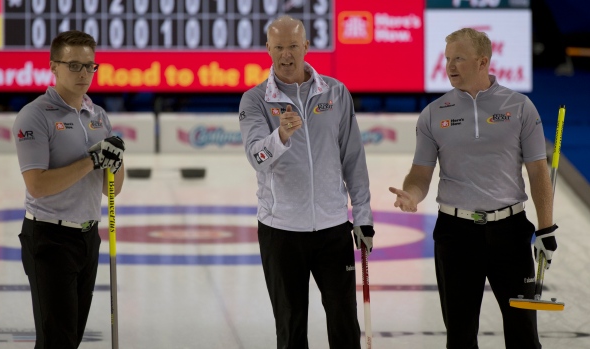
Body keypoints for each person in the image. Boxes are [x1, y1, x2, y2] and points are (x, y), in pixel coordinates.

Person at [389, 28, 557, 348]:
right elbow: (421, 174)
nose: (450, 65)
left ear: (482, 62)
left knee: (524, 333)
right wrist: (411, 193)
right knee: (460, 335)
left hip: (511, 233)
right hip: (456, 235)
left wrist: (547, 228)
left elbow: (538, 171)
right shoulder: (433, 114)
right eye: (448, 58)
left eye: (459, 59)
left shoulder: (520, 107)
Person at [238, 15, 374, 349]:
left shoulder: (336, 93)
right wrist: (281, 135)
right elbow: (257, 158)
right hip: (281, 232)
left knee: (345, 326)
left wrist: (364, 218)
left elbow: (353, 159)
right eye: (279, 47)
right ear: (268, 49)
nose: (286, 55)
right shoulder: (255, 100)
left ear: (306, 47)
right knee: (291, 327)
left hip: (333, 230)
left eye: (293, 47)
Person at [13, 30, 126, 349]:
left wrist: (116, 162)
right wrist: (92, 159)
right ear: (54, 66)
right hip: (49, 237)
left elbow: (112, 190)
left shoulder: (98, 116)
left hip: (88, 236)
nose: (83, 74)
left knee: (70, 337)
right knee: (56, 339)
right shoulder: (35, 115)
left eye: (90, 66)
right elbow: (37, 185)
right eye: (74, 65)